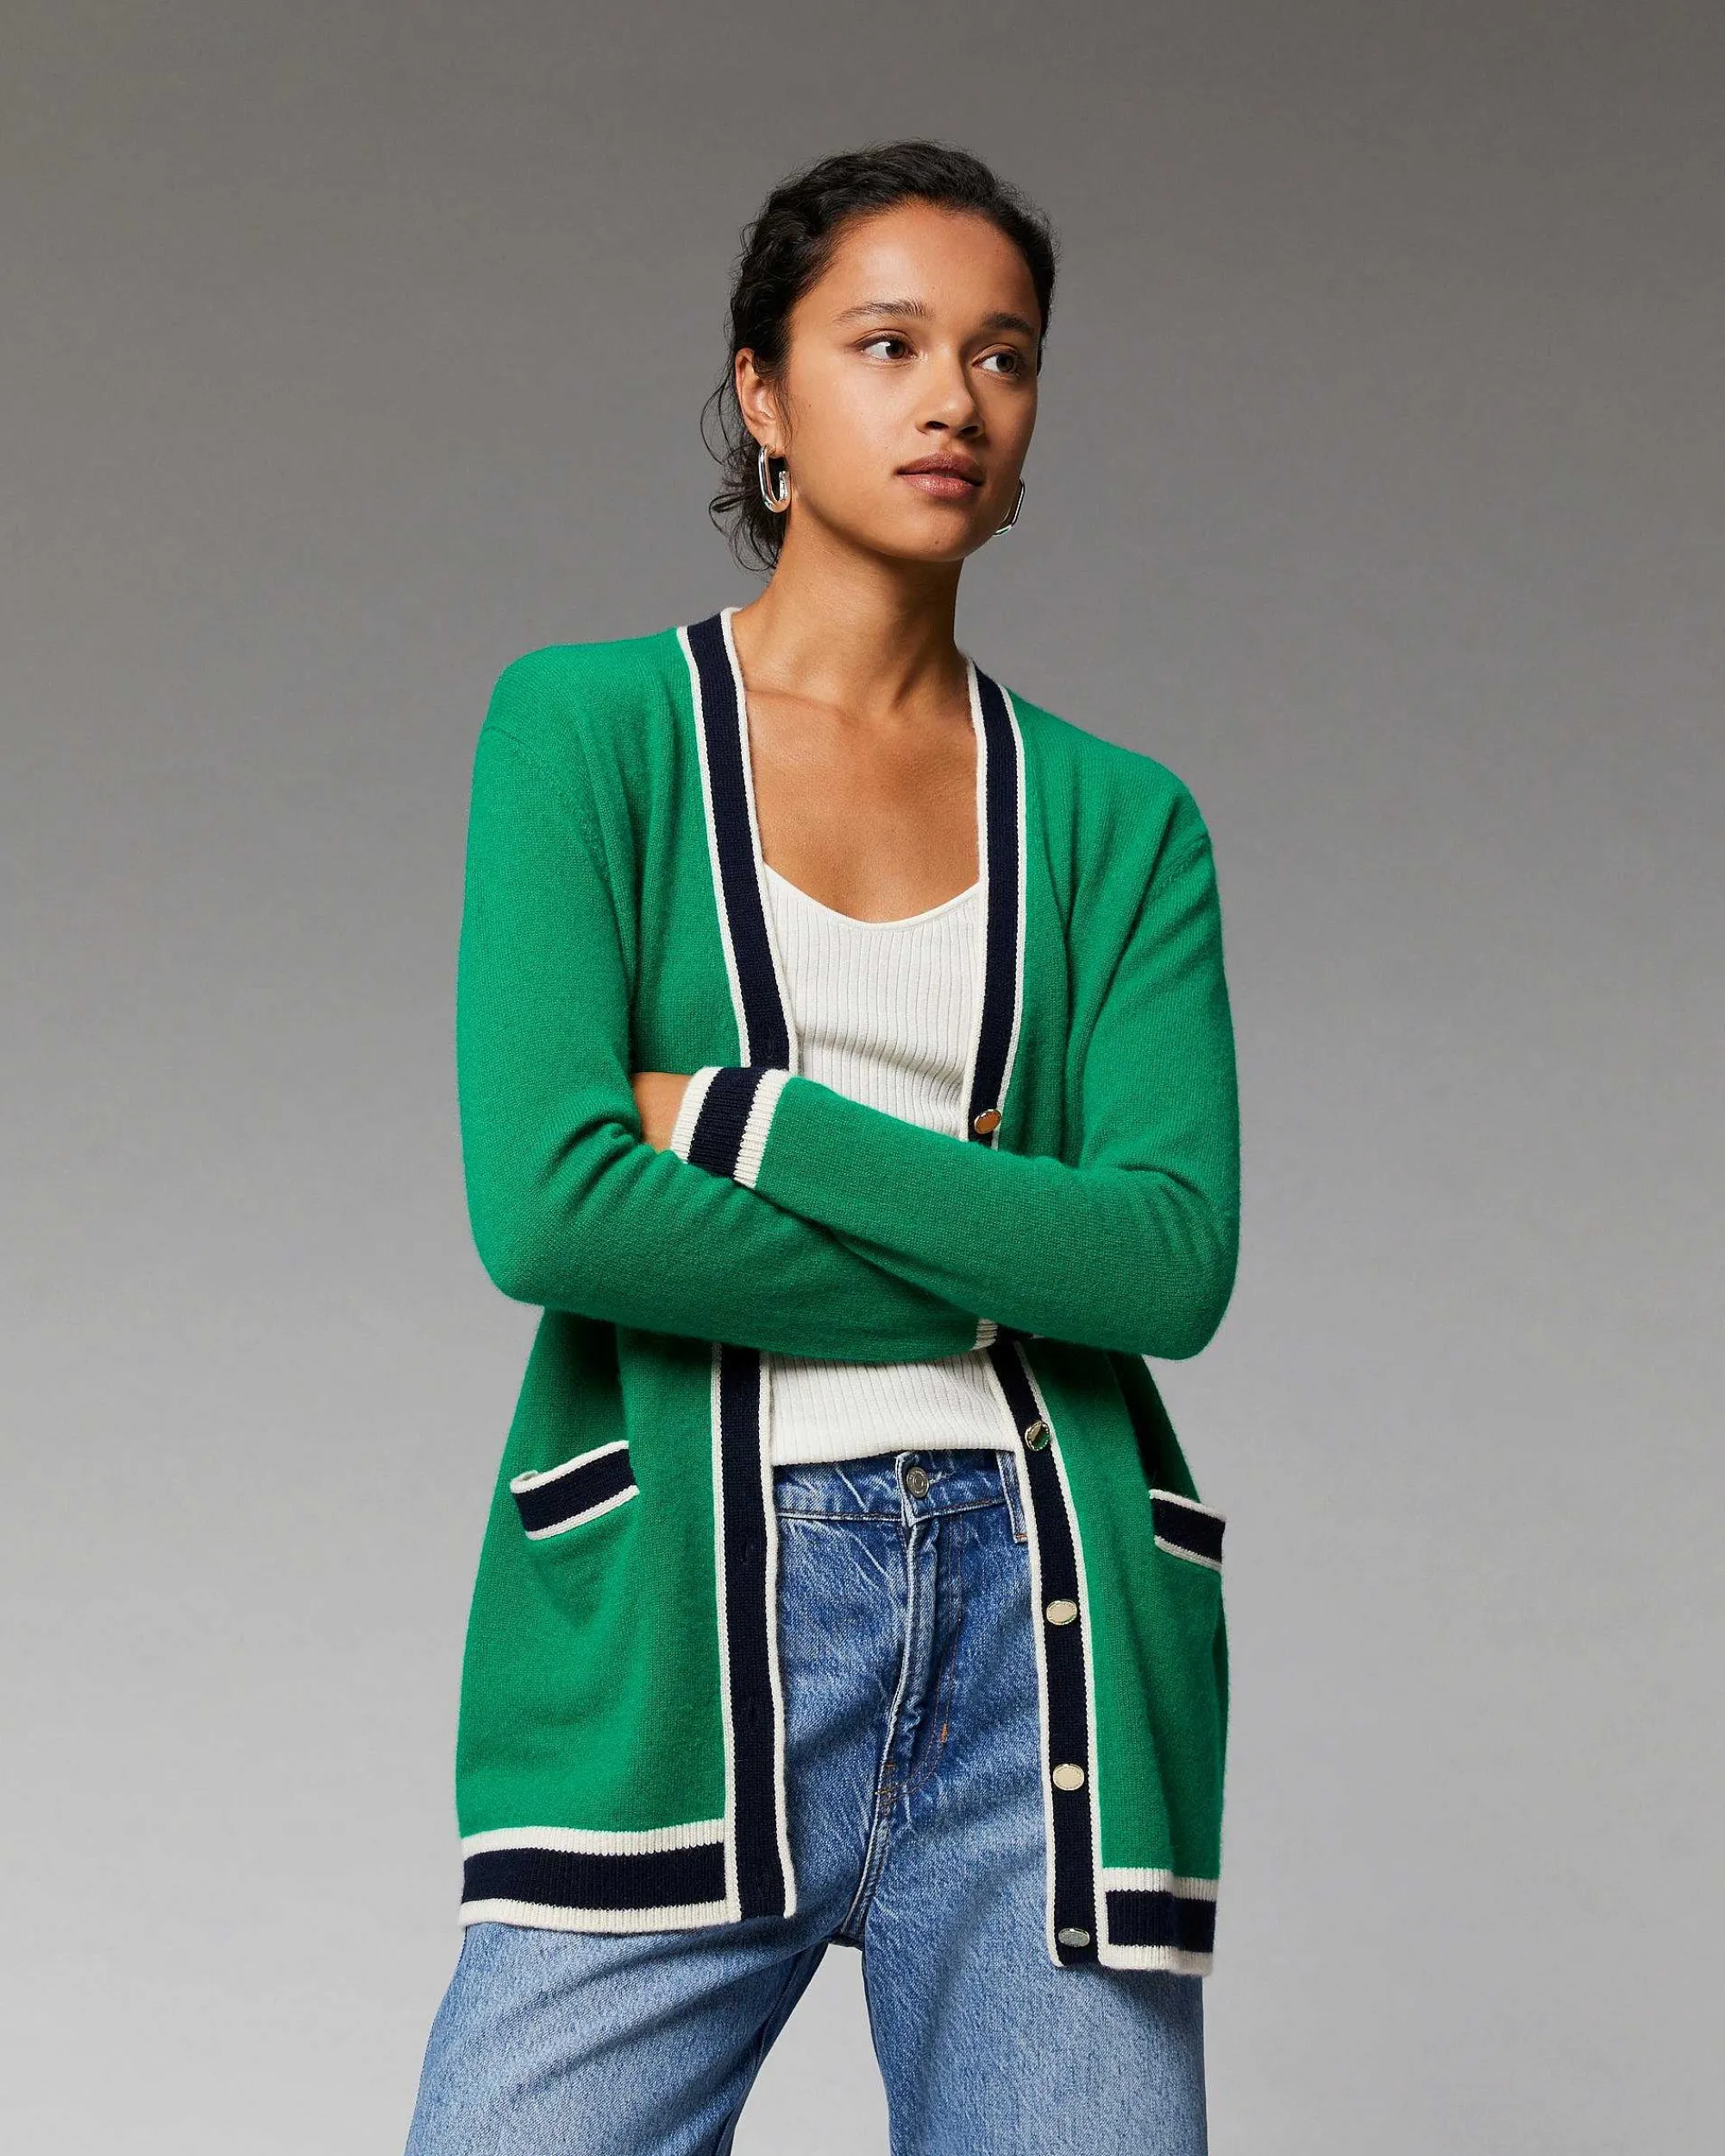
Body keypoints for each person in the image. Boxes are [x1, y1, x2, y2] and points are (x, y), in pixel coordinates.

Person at [404, 138, 1241, 2156]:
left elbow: (1164, 1263)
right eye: (886, 343)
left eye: (1003, 356)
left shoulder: (1120, 820)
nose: (954, 397)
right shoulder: (587, 731)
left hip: (1045, 1654)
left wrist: (743, 1117)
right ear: (762, 396)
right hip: (680, 1636)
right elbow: (553, 1207)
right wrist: (1005, 1266)